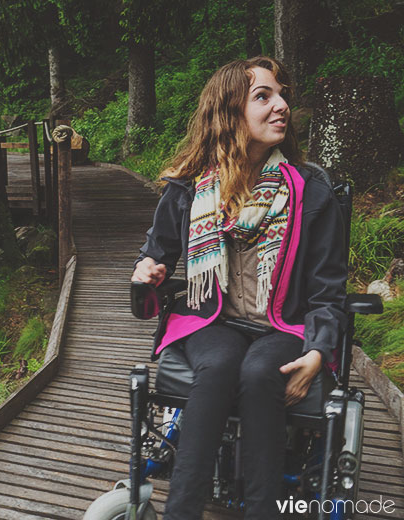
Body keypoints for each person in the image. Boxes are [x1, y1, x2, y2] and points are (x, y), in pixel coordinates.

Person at [131, 56, 347, 519]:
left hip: (283, 325)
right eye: (263, 96)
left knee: (257, 372)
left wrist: (317, 351)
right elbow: (155, 258)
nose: (281, 105)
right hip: (213, 320)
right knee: (222, 363)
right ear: (229, 113)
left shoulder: (312, 191)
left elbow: (328, 291)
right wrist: (146, 270)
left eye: (281, 94)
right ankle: (182, 512)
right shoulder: (189, 189)